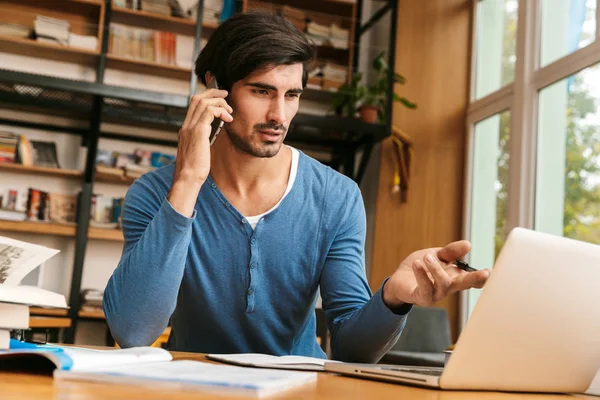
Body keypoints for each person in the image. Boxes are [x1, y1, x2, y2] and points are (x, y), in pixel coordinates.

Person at [103, 11, 490, 362]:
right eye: (261, 91)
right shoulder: (155, 193)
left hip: (301, 390)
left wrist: (393, 299)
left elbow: (352, 348)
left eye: (292, 95)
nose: (279, 115)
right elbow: (134, 332)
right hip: (193, 389)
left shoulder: (336, 196)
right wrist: (187, 181)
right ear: (213, 87)